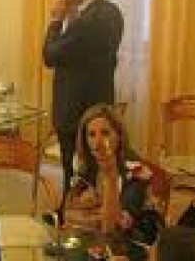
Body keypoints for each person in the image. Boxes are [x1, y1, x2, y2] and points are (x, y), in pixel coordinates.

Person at [43, 0, 124, 198]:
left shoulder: (89, 20)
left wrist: (56, 21)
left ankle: (71, 210)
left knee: (75, 173)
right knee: (96, 170)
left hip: (75, 110)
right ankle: (92, 205)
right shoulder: (112, 12)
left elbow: (50, 55)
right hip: (99, 105)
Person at [64, 106, 161, 260]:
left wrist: (110, 177)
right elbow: (69, 214)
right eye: (91, 135)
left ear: (119, 136)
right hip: (96, 242)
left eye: (105, 133)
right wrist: (84, 215)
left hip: (135, 247)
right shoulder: (88, 166)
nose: (98, 142)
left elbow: (114, 228)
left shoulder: (136, 171)